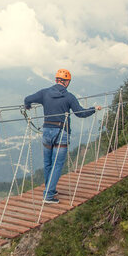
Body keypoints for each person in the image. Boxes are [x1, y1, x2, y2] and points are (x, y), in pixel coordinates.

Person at [23, 69, 102, 204]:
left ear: (56, 80)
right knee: (57, 164)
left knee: (48, 163)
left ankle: (50, 190)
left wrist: (27, 106)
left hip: (47, 131)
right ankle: (48, 194)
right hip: (61, 132)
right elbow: (80, 113)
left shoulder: (44, 93)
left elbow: (27, 99)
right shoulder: (69, 97)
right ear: (67, 82)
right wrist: (94, 109)